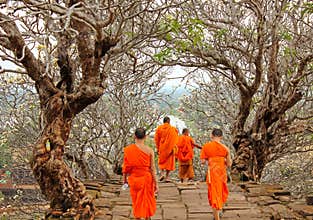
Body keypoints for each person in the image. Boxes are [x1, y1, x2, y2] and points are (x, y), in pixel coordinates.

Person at [122, 128, 158, 220]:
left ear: (134, 136)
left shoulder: (128, 150)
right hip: (146, 179)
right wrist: (156, 183)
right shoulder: (149, 150)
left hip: (134, 180)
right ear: (145, 137)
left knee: (136, 201)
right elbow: (152, 169)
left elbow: (125, 168)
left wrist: (124, 180)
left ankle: (137, 218)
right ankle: (147, 217)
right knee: (146, 200)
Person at [200, 128, 232, 220]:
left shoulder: (206, 147)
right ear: (221, 136)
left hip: (212, 172)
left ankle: (217, 216)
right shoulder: (225, 149)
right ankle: (217, 212)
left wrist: (209, 159)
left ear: (211, 135)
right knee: (220, 192)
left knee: (214, 192)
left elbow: (202, 161)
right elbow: (229, 164)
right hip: (222, 173)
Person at [154, 116, 178, 182]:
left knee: (161, 161)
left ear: (163, 121)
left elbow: (156, 139)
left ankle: (162, 173)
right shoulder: (173, 129)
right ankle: (167, 177)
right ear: (169, 121)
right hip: (170, 148)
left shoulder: (159, 128)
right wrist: (174, 148)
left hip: (162, 147)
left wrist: (158, 147)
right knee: (169, 163)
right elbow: (176, 139)